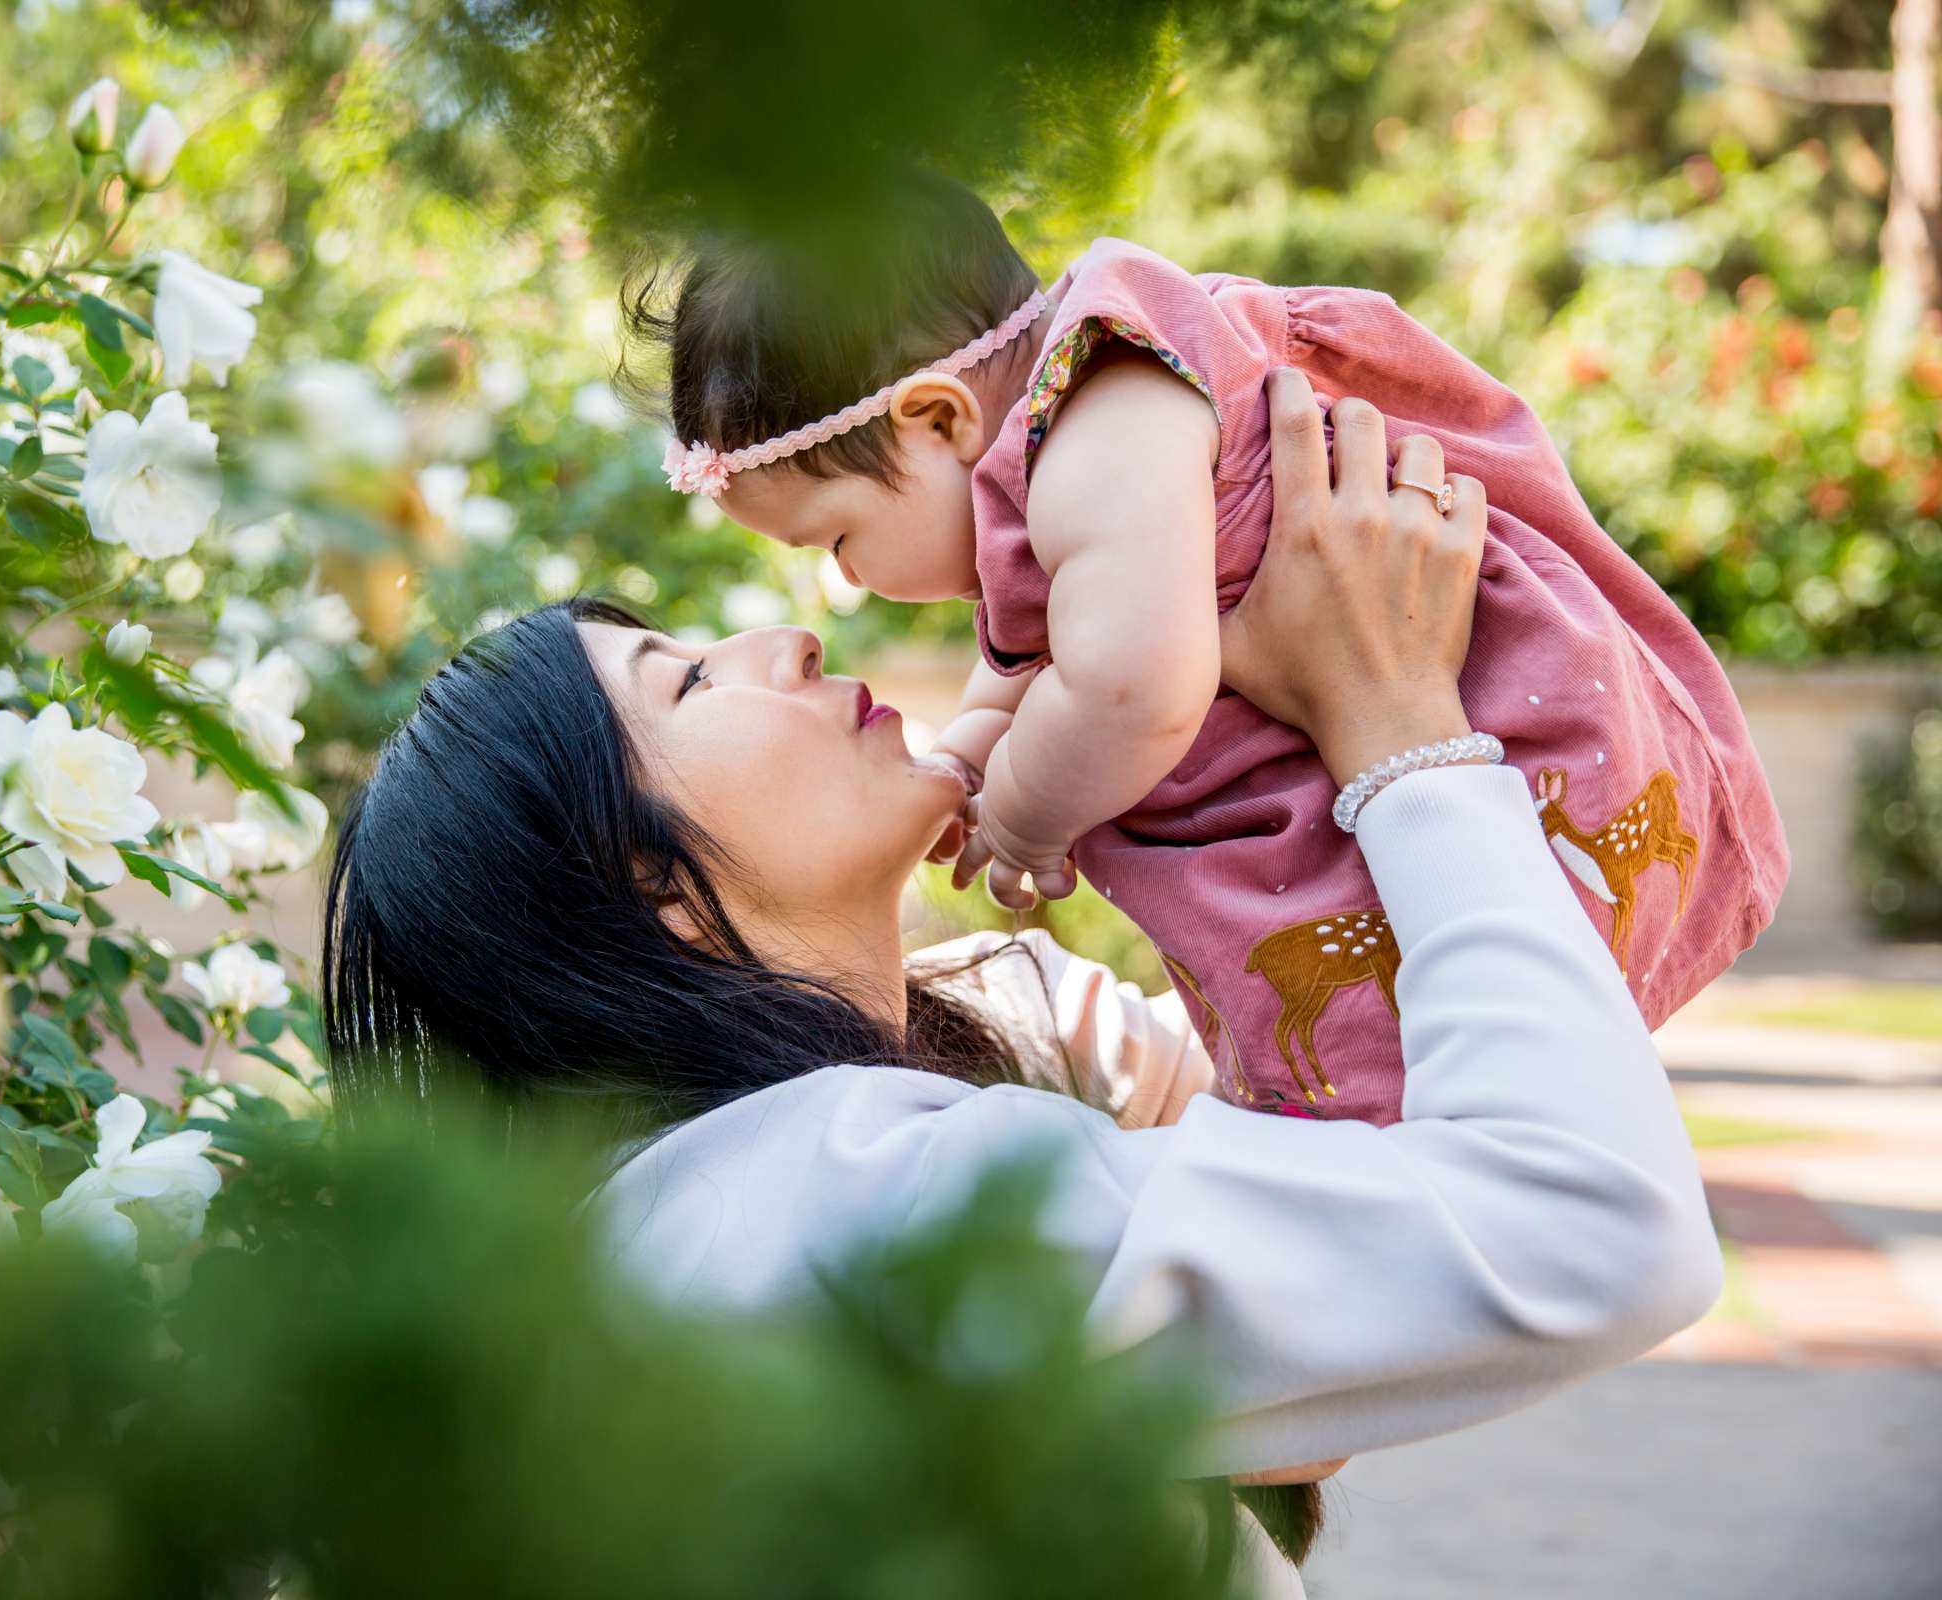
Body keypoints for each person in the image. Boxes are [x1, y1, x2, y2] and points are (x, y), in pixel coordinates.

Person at [323, 374, 1723, 1591]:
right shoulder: (842, 1203)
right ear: (660, 897)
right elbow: (1591, 1229)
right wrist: (1398, 728)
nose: (786, 640)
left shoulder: (749, 1191)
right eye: (686, 684)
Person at [635, 174, 1787, 1122]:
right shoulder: (1048, 461)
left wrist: (1029, 813)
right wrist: (976, 754)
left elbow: (1134, 686)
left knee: (1421, 1084)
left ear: (938, 417)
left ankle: (1424, 1127)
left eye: (839, 535)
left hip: (1458, 694)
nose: (844, 579)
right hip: (1352, 686)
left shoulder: (1101, 409)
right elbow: (1025, 665)